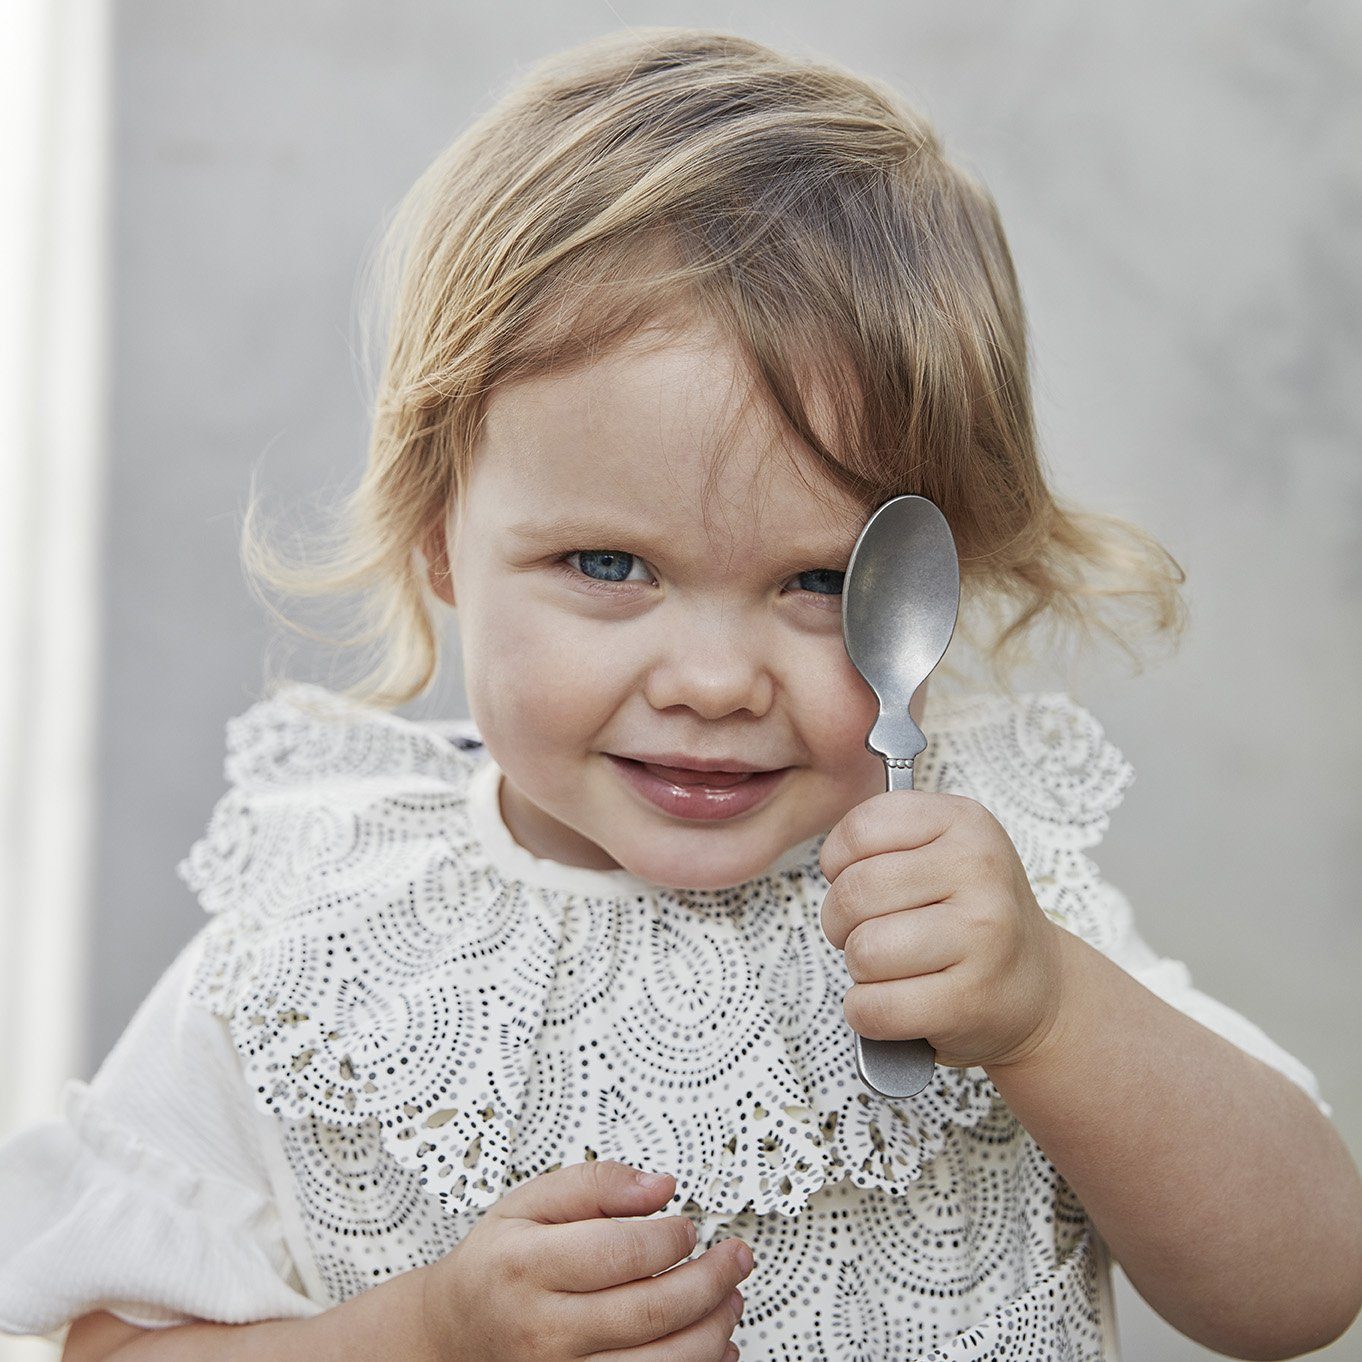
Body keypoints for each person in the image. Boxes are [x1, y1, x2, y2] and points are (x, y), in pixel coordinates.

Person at [2, 26, 1359, 1362]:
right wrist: (425, 1334)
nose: (713, 681)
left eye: (823, 582)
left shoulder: (991, 902)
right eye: (609, 564)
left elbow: (1301, 1285)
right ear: (436, 537)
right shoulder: (321, 940)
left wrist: (1056, 1012)